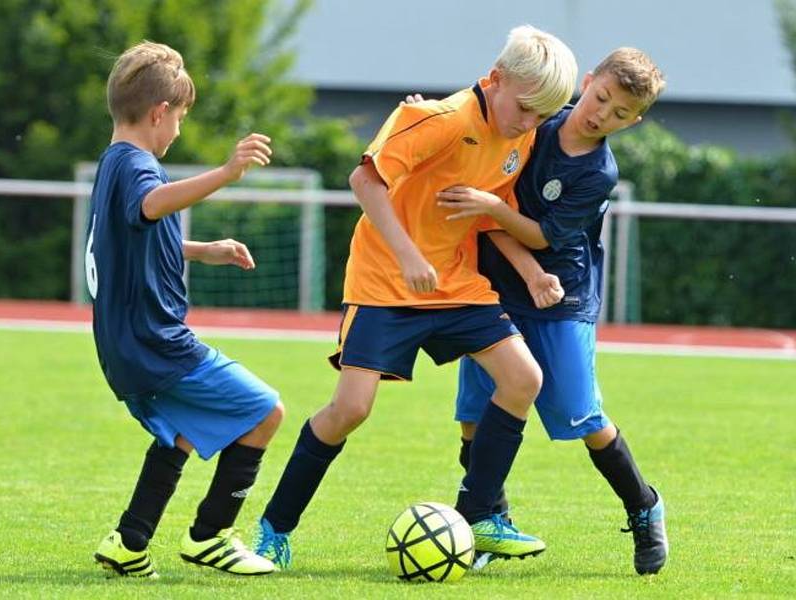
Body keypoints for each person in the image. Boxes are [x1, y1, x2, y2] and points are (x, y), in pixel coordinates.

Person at [253, 25, 578, 570]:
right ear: (495, 79)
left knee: (524, 379)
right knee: (350, 410)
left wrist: (530, 272)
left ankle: (480, 515)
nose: (529, 125)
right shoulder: (441, 118)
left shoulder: (518, 133)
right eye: (525, 109)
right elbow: (364, 181)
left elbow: (488, 213)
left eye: (542, 117)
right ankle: (274, 530)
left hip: (454, 283)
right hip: (385, 281)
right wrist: (407, 255)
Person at [434, 47, 669, 575]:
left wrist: (495, 211)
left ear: (634, 122)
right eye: (601, 97)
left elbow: (537, 233)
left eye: (619, 114)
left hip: (562, 298)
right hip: (497, 287)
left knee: (579, 414)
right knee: (475, 411)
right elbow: (480, 115)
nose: (601, 114)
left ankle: (644, 505)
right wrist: (423, 111)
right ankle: (486, 517)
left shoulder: (598, 173)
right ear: (587, 81)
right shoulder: (534, 123)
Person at [87, 41, 284, 578]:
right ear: (158, 113)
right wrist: (225, 172)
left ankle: (129, 542)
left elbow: (133, 238)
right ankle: (210, 536)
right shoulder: (138, 166)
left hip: (124, 346)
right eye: (179, 118)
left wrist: (204, 251)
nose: (177, 130)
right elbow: (152, 205)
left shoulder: (112, 163)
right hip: (156, 343)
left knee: (180, 432)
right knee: (266, 411)